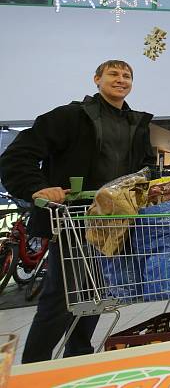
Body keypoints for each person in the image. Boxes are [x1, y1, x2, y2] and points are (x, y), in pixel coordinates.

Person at [0, 60, 155, 363]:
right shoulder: (70, 117)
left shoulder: (137, 124)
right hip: (73, 219)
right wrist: (38, 187)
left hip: (115, 224)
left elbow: (146, 169)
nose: (120, 79)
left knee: (97, 295)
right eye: (113, 74)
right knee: (61, 298)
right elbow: (17, 156)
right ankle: (34, 367)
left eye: (127, 76)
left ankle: (78, 358)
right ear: (97, 79)